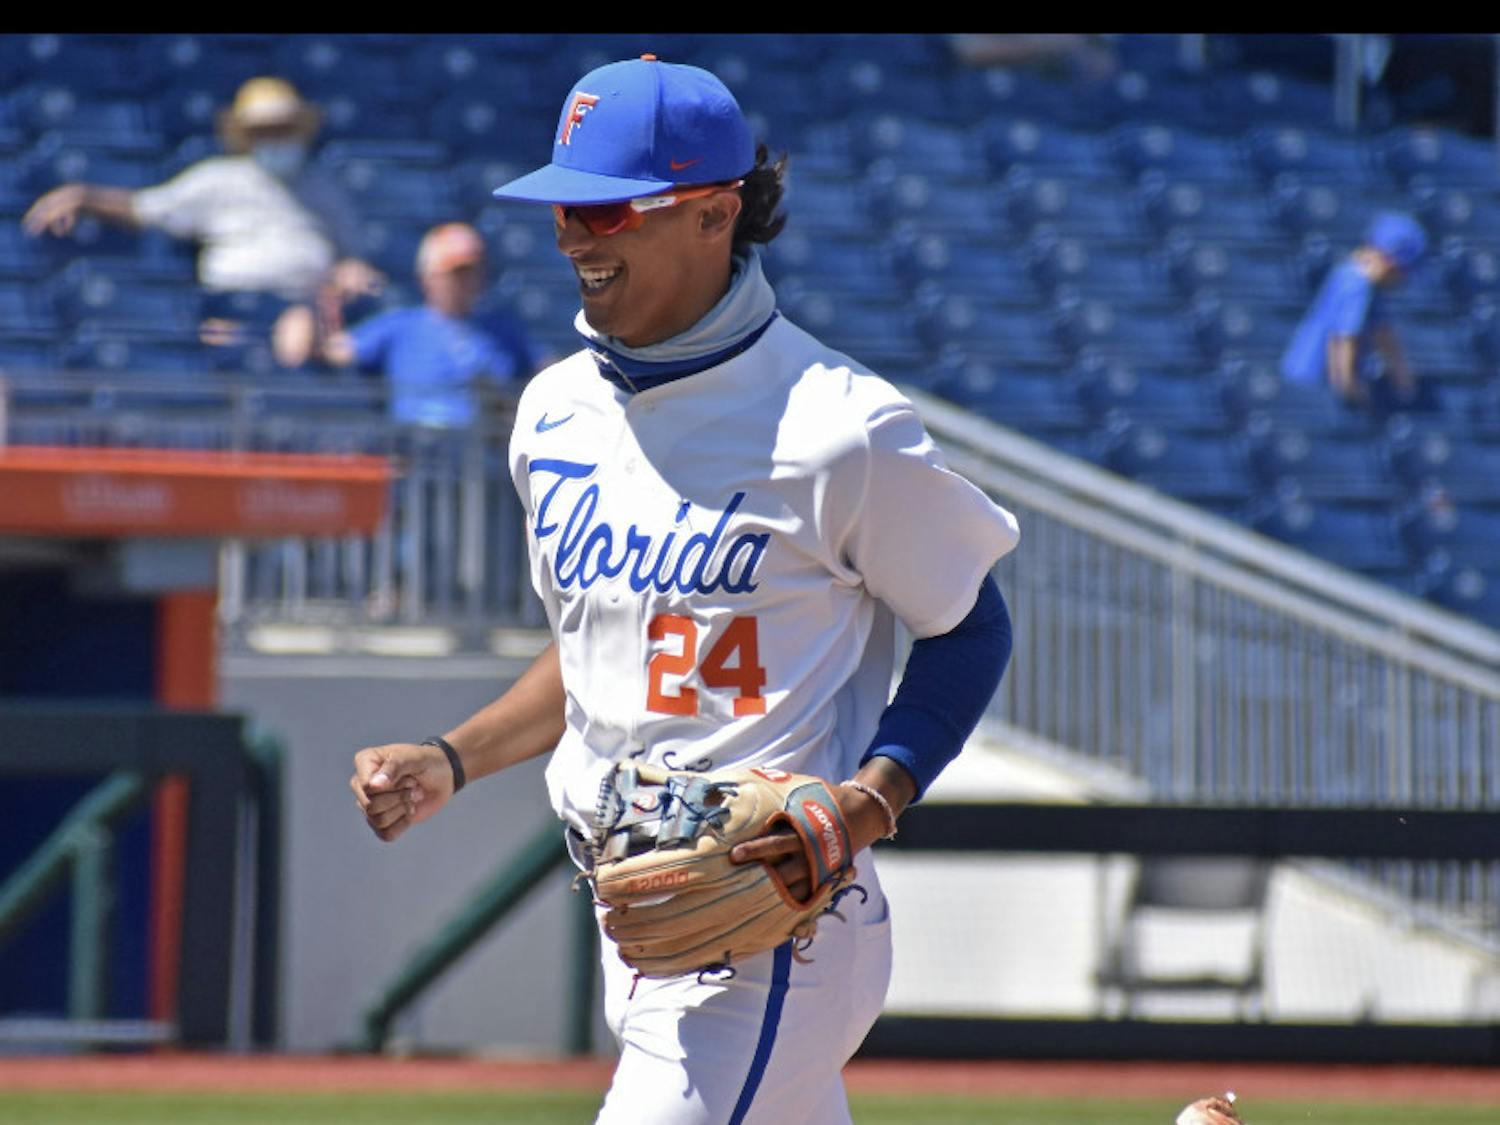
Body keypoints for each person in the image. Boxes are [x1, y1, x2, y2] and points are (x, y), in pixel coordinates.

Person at [349, 55, 1018, 1124]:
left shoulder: (837, 428)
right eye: (565, 207)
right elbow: (599, 645)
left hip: (776, 923)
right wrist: (451, 758)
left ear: (715, 212)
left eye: (609, 212)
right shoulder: (553, 411)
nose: (573, 236)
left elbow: (970, 626)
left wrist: (873, 798)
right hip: (637, 914)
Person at [22, 76, 382, 340]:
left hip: (300, 310)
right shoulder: (217, 179)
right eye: (265, 129)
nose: (275, 137)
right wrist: (83, 197)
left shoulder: (324, 188)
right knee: (226, 341)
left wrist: (350, 274)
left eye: (282, 128)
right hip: (228, 308)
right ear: (247, 134)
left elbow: (351, 258)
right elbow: (146, 207)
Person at [276, 221, 543, 427]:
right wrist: (306, 316)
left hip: (484, 459)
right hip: (418, 454)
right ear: (427, 278)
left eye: (470, 272)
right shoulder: (400, 325)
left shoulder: (503, 329)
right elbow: (333, 352)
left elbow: (547, 371)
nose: (464, 282)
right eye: (454, 273)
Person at [1280, 211, 1429, 408]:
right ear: (1390, 262)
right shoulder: (1355, 283)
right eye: (1403, 271)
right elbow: (1342, 340)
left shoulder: (1371, 288)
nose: (1403, 280)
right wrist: (1348, 388)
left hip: (1317, 387)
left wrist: (1404, 382)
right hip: (1309, 385)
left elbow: (1384, 334)